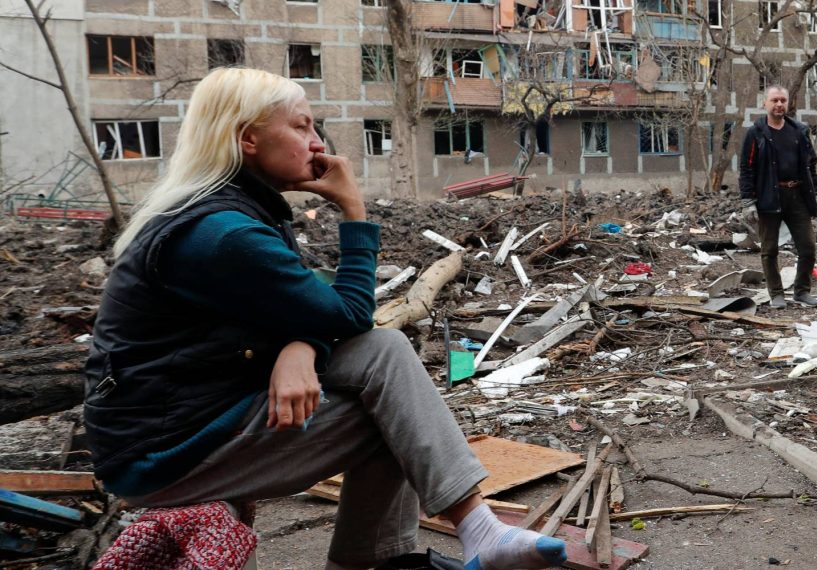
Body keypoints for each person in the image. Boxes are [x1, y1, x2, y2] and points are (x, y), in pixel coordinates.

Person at [83, 67, 567, 570]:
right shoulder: (225, 233)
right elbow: (351, 312)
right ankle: (432, 544)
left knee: (383, 358)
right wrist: (354, 211)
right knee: (393, 411)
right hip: (165, 456)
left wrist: (302, 346)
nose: (318, 145)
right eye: (301, 127)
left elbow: (304, 305)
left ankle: (462, 535)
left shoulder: (231, 210)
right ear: (247, 138)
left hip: (196, 417)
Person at [738, 85, 817, 308]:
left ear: (788, 104)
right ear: (764, 103)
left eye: (782, 101)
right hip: (769, 197)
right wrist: (748, 202)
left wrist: (816, 193)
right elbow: (747, 169)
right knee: (769, 249)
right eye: (774, 100)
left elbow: (810, 165)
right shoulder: (755, 133)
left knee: (807, 247)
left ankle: (802, 291)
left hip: (797, 196)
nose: (779, 104)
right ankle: (776, 293)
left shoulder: (799, 131)